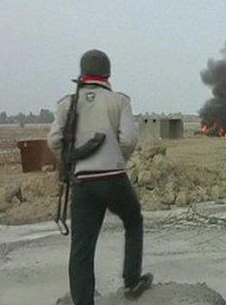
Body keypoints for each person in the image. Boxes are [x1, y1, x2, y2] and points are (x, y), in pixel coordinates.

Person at [48, 49, 152, 305]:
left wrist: (71, 161)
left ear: (81, 74)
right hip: (114, 178)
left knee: (81, 248)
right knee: (133, 221)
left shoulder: (66, 103)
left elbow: (54, 140)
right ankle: (131, 281)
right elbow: (128, 139)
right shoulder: (119, 101)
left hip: (83, 182)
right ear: (108, 73)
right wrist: (119, 159)